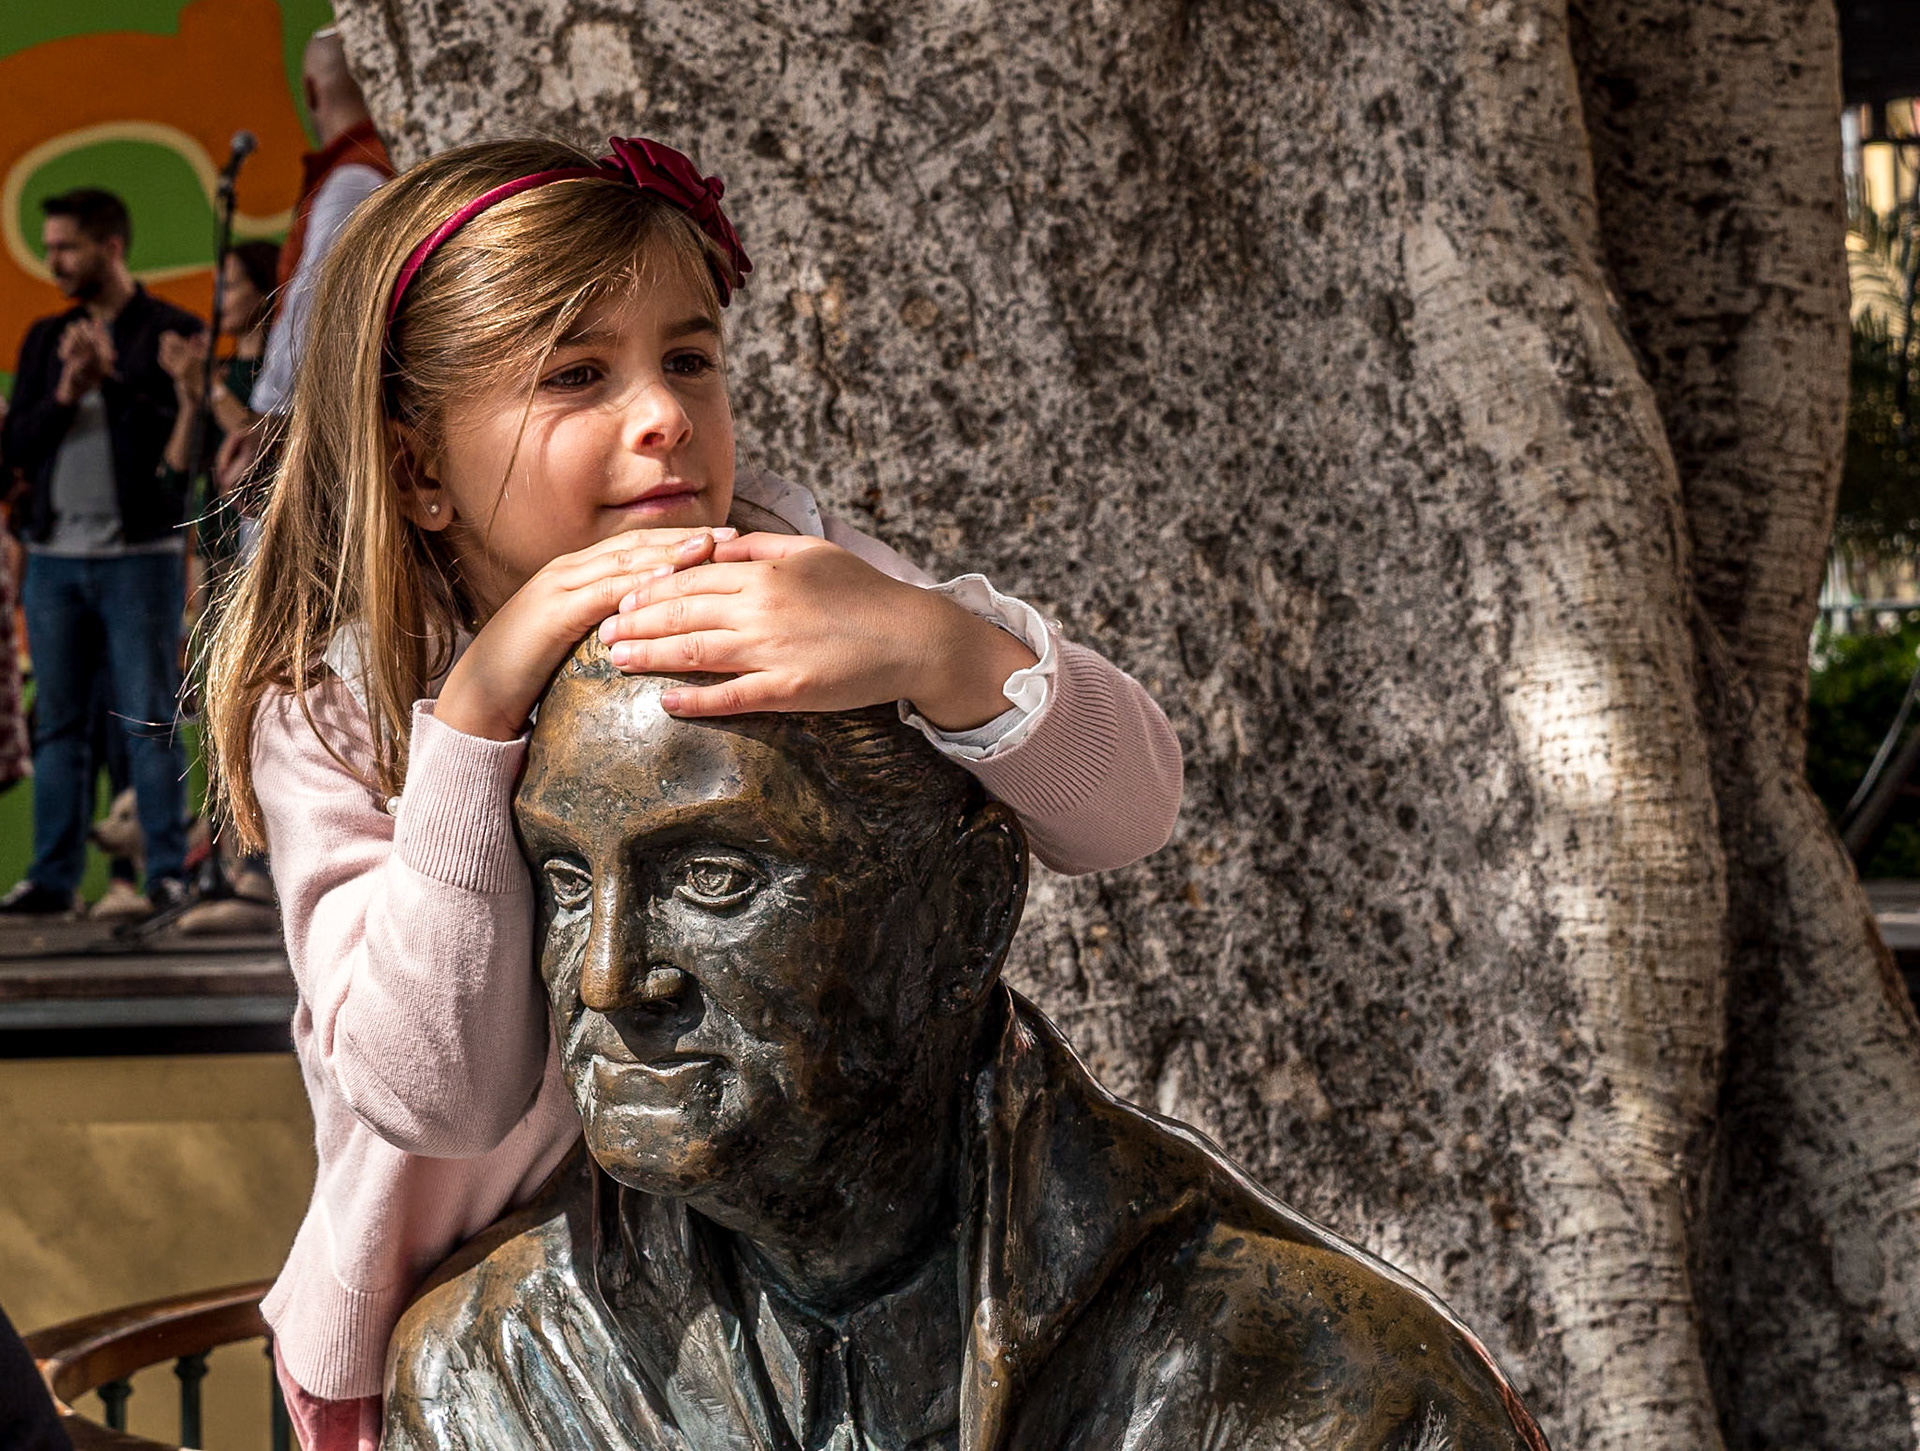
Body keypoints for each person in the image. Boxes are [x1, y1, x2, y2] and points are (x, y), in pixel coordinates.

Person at [201, 135, 1184, 1447]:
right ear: (423, 466)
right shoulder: (338, 705)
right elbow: (441, 1093)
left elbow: (1126, 812)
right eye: (576, 374)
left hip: (764, 1281)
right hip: (460, 1340)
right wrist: (476, 720)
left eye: (689, 356)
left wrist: (935, 643)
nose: (662, 412)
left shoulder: (788, 573)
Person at [384, 653, 1547, 1451]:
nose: (608, 975)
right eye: (567, 881)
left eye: (715, 878)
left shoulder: (1333, 1392)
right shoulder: (492, 1371)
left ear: (964, 913)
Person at [0, 188, 201, 917]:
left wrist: (108, 383)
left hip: (140, 558)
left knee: (147, 718)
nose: (53, 260)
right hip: (53, 558)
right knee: (56, 723)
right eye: (49, 247)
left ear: (110, 247)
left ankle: (167, 873)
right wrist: (63, 391)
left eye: (66, 247)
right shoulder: (42, 338)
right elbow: (14, 451)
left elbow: (171, 456)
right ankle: (51, 880)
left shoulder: (170, 332)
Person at [216, 28, 391, 495]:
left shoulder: (354, 177)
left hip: (320, 431)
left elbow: (312, 311)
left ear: (312, 91)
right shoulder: (381, 166)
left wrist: (267, 422)